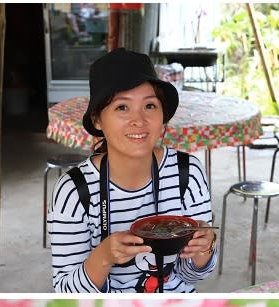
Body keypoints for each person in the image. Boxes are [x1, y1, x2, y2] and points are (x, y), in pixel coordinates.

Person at [50, 48, 217, 293]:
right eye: (122, 108)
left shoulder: (187, 173)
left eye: (149, 105)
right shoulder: (74, 192)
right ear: (97, 120)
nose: (138, 120)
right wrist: (103, 257)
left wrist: (204, 248)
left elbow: (190, 276)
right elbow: (66, 294)